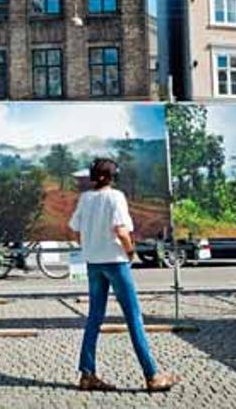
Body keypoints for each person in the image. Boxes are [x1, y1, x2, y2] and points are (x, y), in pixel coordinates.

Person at [69, 158, 176, 392]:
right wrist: (130, 251)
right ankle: (152, 375)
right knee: (133, 317)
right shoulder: (115, 197)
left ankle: (87, 374)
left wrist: (89, 247)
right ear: (111, 177)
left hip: (93, 263)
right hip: (116, 263)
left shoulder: (85, 198)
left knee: (94, 318)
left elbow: (75, 232)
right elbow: (120, 229)